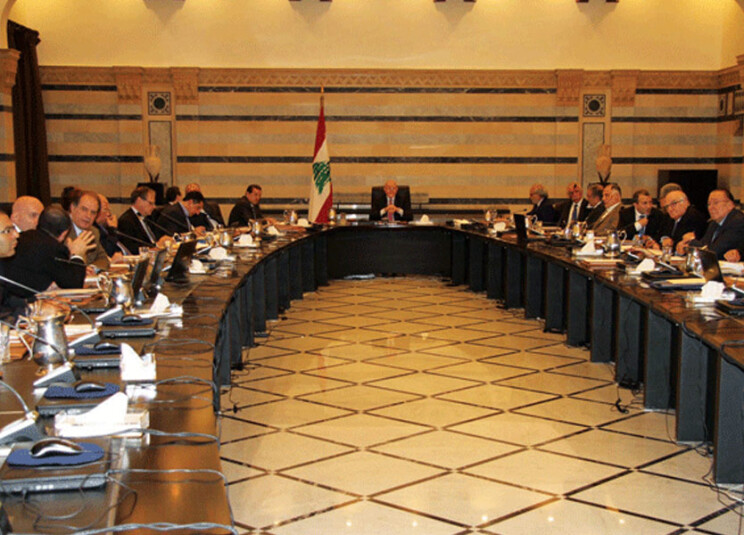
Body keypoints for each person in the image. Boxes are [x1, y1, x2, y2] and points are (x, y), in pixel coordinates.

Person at [1, 206, 91, 310]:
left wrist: (40, 299)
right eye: (8, 231)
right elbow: (74, 285)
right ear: (64, 234)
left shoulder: (7, 259)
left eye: (13, 229)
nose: (17, 235)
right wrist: (77, 255)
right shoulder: (53, 247)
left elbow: (9, 300)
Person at [679, 189, 744, 260]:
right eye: (709, 204)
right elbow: (704, 245)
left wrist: (691, 241)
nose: (711, 208)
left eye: (716, 203)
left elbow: (714, 252)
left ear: (730, 205)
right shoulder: (713, 223)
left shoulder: (737, 221)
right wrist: (685, 246)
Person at [118, 186, 170, 253]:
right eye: (151, 203)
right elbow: (131, 248)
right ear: (139, 201)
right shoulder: (126, 220)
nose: (154, 207)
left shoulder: (148, 217)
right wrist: (156, 245)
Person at [69, 190, 110, 270]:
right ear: (73, 208)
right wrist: (82, 269)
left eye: (93, 212)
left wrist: (92, 268)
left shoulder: (94, 232)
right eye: (84, 209)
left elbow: (104, 259)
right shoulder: (62, 230)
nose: (88, 216)